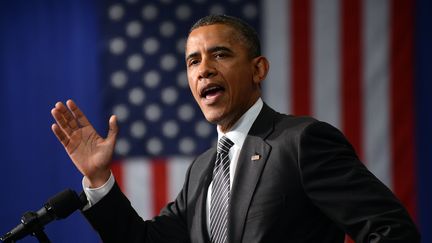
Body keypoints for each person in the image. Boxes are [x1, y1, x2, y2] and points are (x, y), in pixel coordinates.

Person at [51, 15, 420, 243]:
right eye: (193, 61)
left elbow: (390, 230)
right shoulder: (202, 171)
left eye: (221, 54)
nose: (204, 69)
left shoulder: (301, 142)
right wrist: (99, 179)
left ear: (258, 69)